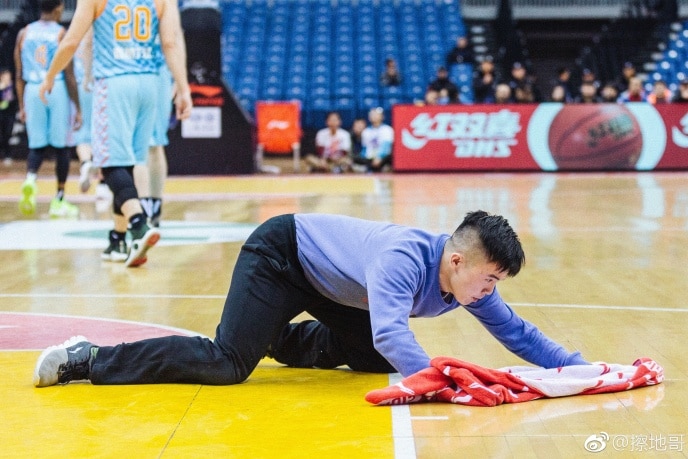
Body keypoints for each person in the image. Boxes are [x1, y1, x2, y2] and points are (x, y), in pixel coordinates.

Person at [33, 210, 589, 388]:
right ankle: (92, 358)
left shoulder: (468, 282)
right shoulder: (403, 258)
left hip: (333, 283)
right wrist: (443, 384)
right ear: (458, 261)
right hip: (281, 256)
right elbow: (394, 330)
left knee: (373, 359)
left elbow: (517, 332)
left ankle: (275, 335)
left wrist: (581, 369)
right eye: (490, 280)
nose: (491, 294)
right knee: (229, 365)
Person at [38, 0, 192, 266]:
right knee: (128, 164)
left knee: (108, 163)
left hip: (115, 83)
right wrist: (184, 87)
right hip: (149, 86)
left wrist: (50, 76)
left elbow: (73, 40)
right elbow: (170, 43)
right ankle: (117, 240)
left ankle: (138, 223)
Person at [14, 0, 81, 218]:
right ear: (59, 8)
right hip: (56, 88)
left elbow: (18, 73)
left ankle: (31, 179)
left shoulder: (24, 33)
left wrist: (22, 105)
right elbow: (69, 74)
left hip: (32, 89)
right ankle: (59, 198)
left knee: (37, 144)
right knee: (62, 146)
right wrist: (78, 106)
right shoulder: (61, 33)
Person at [135, 62, 174, 227]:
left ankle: (147, 208)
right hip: (145, 73)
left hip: (149, 72)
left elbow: (172, 43)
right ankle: (147, 207)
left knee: (150, 145)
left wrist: (181, 82)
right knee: (148, 146)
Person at [355, 107, 394, 173]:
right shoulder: (366, 131)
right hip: (369, 158)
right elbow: (365, 148)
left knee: (390, 157)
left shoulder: (387, 129)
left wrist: (380, 157)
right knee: (356, 158)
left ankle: (383, 167)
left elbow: (386, 146)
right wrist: (362, 156)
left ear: (382, 116)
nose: (374, 116)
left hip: (383, 158)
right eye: (372, 115)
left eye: (376, 115)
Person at [0, 67, 17, 166]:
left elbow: (14, 100)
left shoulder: (13, 86)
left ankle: (8, 155)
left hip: (9, 114)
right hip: (1, 113)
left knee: (7, 134)